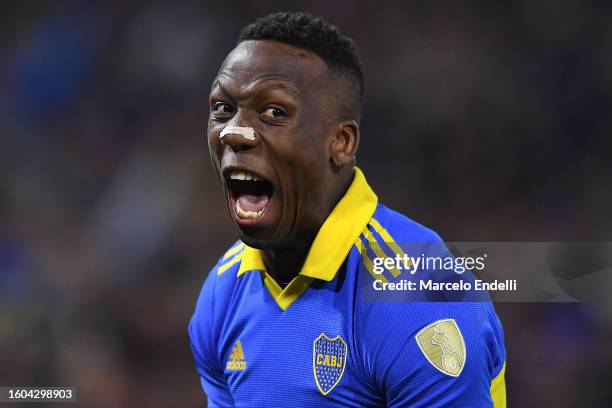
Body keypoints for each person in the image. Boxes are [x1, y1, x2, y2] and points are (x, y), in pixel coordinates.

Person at [189, 12, 506, 407]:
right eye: (222, 107)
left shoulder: (418, 296)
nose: (234, 131)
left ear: (340, 142)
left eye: (274, 112)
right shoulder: (223, 292)